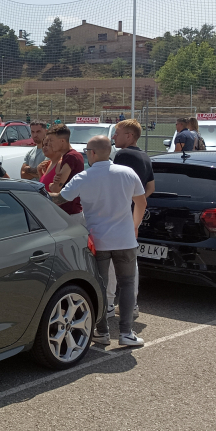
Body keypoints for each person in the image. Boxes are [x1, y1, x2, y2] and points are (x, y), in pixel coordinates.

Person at [50, 135, 146, 347]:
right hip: (125, 239)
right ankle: (126, 333)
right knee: (127, 284)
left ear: (92, 153)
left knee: (100, 286)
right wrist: (134, 225)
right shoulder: (128, 173)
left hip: (98, 241)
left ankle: (101, 332)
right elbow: (141, 202)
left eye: (87, 152)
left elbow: (58, 199)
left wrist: (41, 189)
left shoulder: (84, 177)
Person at [107, 119, 156, 319]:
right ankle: (132, 304)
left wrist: (126, 204)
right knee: (130, 262)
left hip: (118, 216)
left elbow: (115, 183)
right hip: (131, 216)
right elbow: (150, 187)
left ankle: (109, 305)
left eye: (117, 133)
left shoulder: (123, 155)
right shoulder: (145, 156)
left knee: (110, 262)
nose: (113, 137)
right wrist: (137, 204)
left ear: (129, 136)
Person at [37, 124, 83, 220]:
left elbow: (55, 188)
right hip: (66, 212)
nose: (49, 144)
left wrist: (51, 185)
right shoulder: (68, 156)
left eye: (51, 140)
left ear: (62, 141)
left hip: (70, 214)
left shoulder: (71, 157)